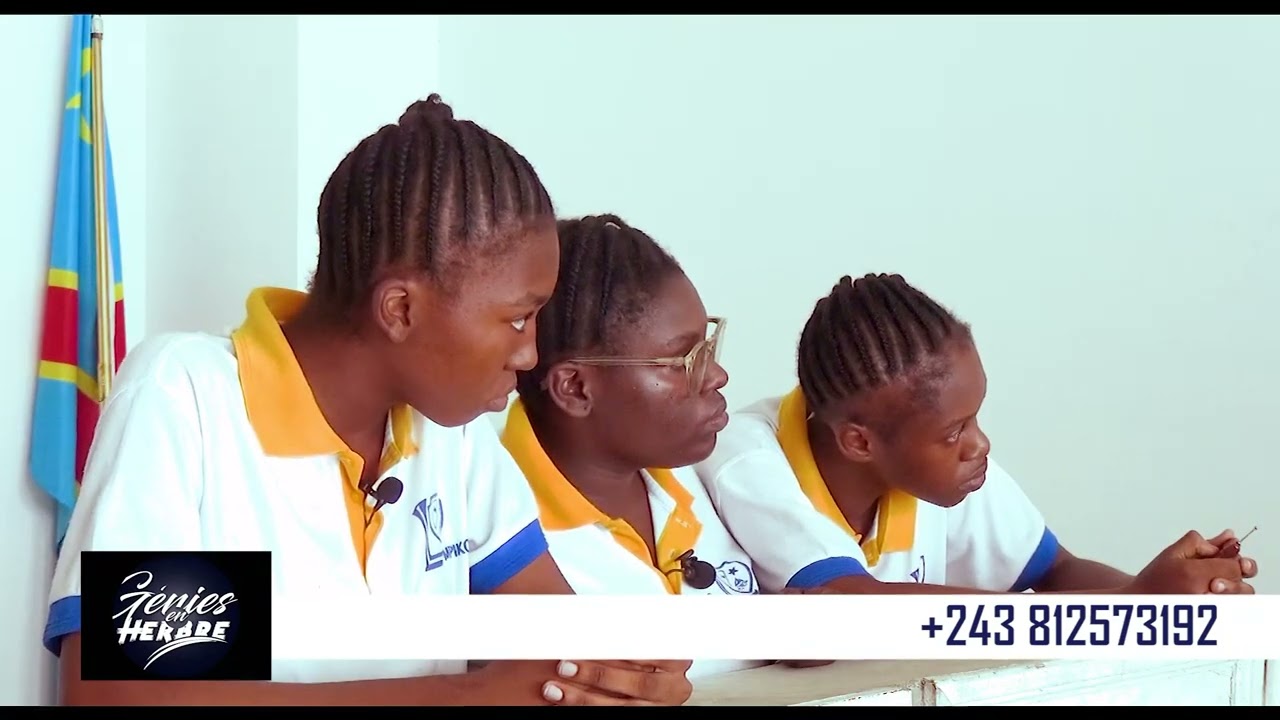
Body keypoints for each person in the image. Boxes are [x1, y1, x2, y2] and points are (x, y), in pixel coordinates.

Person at [42, 95, 693, 706]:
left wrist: (624, 674)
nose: (530, 355)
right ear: (400, 309)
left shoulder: (453, 435)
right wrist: (466, 696)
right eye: (518, 319)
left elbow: (559, 642)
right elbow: (118, 690)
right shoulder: (190, 401)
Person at [696, 272, 1259, 596]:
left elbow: (1055, 571)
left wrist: (1157, 599)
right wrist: (1129, 612)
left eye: (975, 418)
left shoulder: (938, 469)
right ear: (860, 442)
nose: (979, 444)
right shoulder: (748, 457)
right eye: (954, 431)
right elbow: (847, 607)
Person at [499, 215, 807, 678]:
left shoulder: (710, 474)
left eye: (708, 347)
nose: (717, 376)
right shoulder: (496, 531)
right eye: (684, 359)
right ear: (575, 389)